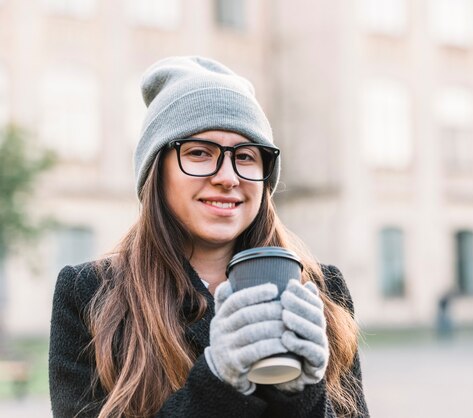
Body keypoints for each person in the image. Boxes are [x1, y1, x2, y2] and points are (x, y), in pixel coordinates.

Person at [48, 56, 369, 418]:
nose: (228, 177)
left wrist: (303, 395)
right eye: (200, 153)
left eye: (246, 156)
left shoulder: (321, 291)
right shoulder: (92, 294)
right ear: (157, 171)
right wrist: (219, 381)